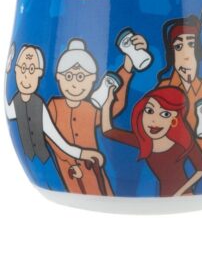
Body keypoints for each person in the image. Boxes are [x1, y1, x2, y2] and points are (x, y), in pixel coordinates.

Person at [46, 35, 146, 195]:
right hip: (69, 170)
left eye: (80, 77)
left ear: (92, 79)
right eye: (69, 76)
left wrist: (127, 67)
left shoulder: (89, 108)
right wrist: (71, 162)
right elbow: (51, 138)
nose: (74, 84)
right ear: (58, 76)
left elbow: (113, 106)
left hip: (93, 168)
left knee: (102, 189)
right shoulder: (53, 107)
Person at [5, 44, 104, 185]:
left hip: (46, 162)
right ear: (16, 69)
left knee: (55, 182)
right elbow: (10, 112)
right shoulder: (16, 102)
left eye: (32, 69)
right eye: (23, 68)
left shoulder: (40, 106)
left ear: (39, 74)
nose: (26, 75)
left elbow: (58, 140)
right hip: (33, 163)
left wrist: (83, 154)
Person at [101, 85, 202, 197]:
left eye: (165, 114)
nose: (154, 120)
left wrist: (180, 192)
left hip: (183, 196)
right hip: (164, 195)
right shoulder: (144, 141)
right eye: (149, 111)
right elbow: (108, 131)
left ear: (174, 119)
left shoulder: (183, 142)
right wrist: (107, 103)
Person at [157, 14, 202, 152]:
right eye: (178, 47)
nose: (186, 55)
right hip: (172, 158)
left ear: (198, 52)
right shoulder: (165, 88)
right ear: (172, 55)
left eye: (191, 44)